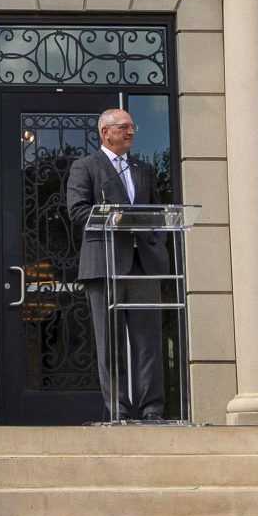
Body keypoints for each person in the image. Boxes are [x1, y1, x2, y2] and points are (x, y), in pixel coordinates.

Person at [63, 108, 170, 421]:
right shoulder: (85, 167)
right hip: (105, 263)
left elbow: (158, 212)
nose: (131, 132)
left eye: (132, 127)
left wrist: (157, 240)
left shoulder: (143, 169)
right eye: (124, 127)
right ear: (104, 132)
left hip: (144, 264)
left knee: (148, 341)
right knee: (109, 342)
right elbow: (78, 211)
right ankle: (119, 409)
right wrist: (114, 217)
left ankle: (152, 409)